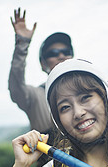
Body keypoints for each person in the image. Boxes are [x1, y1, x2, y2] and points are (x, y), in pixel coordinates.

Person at [8, 7, 74, 135]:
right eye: (53, 53)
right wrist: (22, 44)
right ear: (43, 64)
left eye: (66, 52)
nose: (61, 56)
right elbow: (16, 86)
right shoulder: (35, 96)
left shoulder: (87, 89)